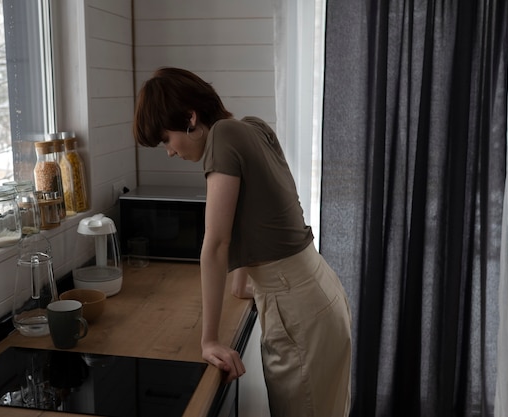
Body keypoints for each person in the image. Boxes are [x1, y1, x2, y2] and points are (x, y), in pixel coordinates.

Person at [134, 67, 352, 417]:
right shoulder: (251, 126)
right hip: (317, 291)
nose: (170, 152)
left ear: (190, 118)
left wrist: (208, 340)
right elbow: (259, 211)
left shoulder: (222, 137)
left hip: (297, 307)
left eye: (165, 138)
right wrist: (241, 284)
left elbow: (217, 243)